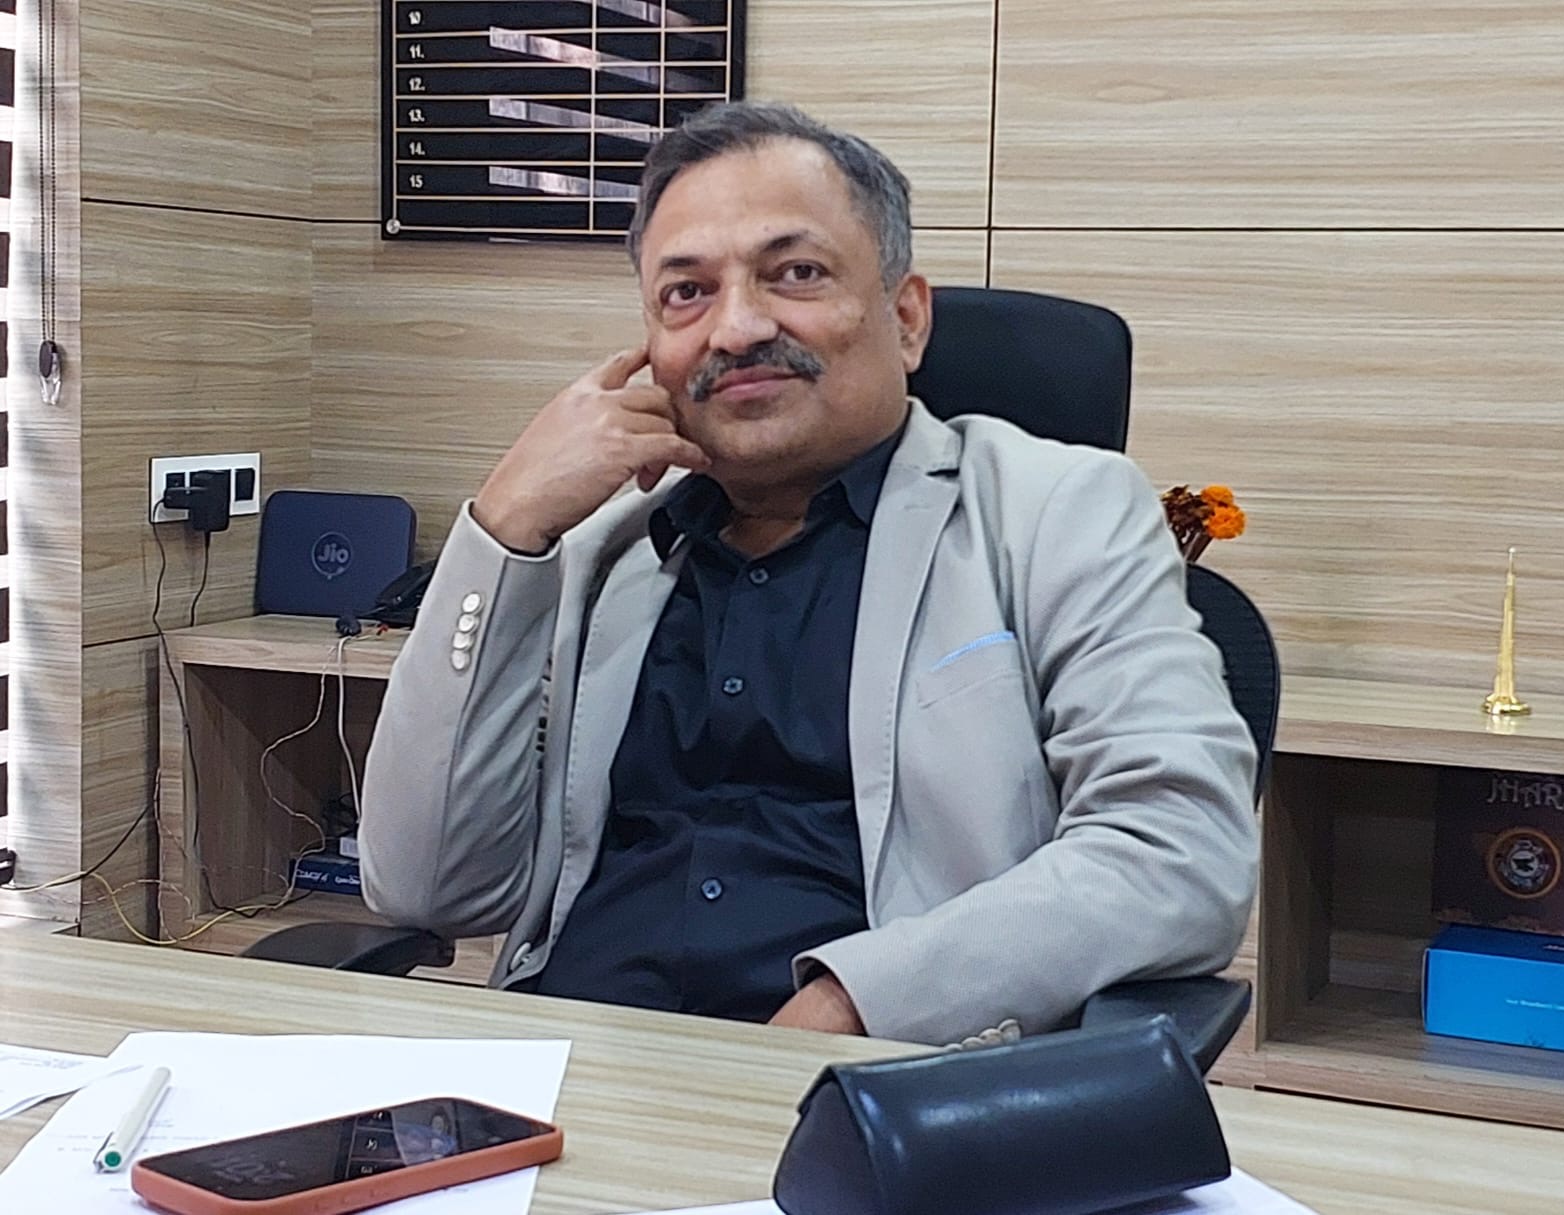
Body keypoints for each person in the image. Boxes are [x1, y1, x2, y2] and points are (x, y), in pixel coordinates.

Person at [359, 101, 1258, 1047]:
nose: (737, 327)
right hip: (573, 1073)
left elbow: (1180, 851)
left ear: (906, 320)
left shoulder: (1058, 512)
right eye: (686, 292)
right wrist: (503, 527)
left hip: (882, 1086)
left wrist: (855, 1002)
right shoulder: (598, 551)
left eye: (795, 273)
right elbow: (427, 886)